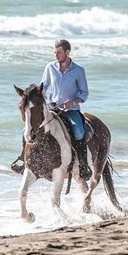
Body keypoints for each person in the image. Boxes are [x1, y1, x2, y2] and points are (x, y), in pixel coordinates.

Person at [40, 39, 92, 179]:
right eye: (55, 52)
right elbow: (43, 87)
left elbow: (84, 93)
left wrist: (73, 102)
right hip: (52, 108)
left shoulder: (78, 71)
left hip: (71, 110)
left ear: (67, 52)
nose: (56, 55)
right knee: (32, 128)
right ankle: (27, 161)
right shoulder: (50, 68)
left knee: (79, 133)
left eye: (59, 53)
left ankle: (82, 166)